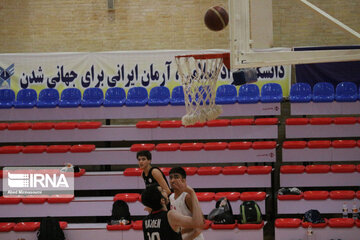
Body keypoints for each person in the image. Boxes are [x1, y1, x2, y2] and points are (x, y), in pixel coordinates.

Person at [169, 167, 204, 240]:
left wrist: (180, 232)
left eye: (176, 177)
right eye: (171, 177)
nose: (172, 180)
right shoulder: (171, 197)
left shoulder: (187, 197)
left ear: (183, 180)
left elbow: (202, 222)